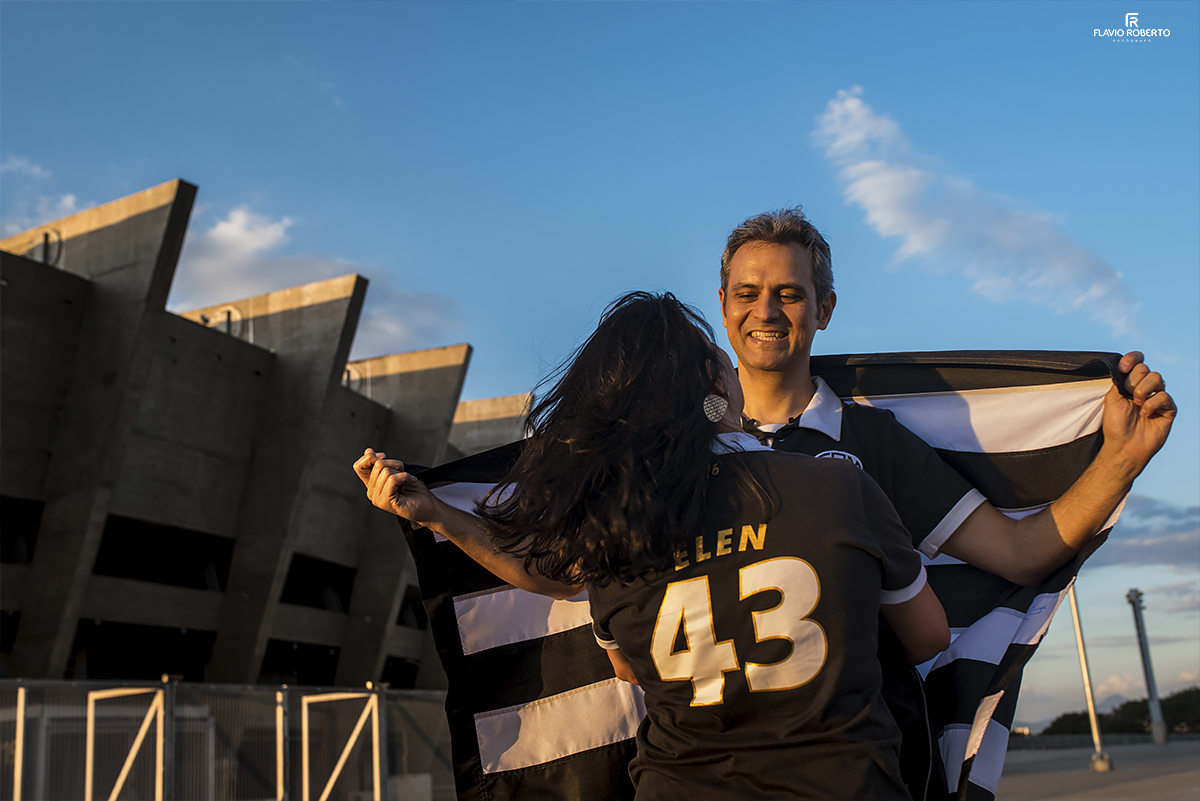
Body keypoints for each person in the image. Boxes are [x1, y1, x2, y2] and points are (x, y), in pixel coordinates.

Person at [355, 292, 950, 800]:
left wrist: (441, 517)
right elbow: (927, 636)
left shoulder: (617, 538)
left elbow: (613, 650)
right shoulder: (838, 486)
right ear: (713, 385)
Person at [717, 207, 1177, 794]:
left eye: (789, 292)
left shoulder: (875, 442)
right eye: (747, 293)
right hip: (706, 764)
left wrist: (1122, 458)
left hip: (858, 763)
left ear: (825, 308)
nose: (766, 311)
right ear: (725, 303)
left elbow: (1017, 551)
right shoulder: (674, 442)